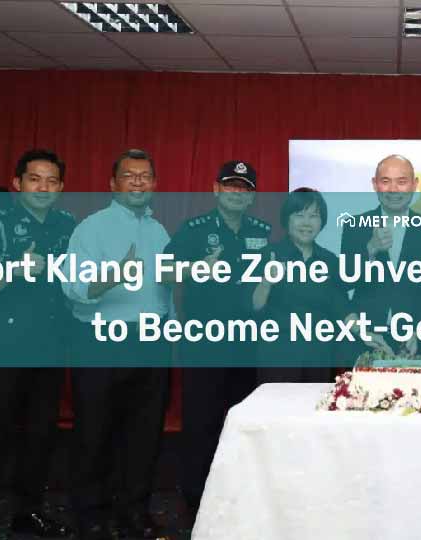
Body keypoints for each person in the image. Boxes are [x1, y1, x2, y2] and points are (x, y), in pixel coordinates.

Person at [0, 149, 74, 540]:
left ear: (61, 187)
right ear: (17, 182)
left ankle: (29, 513)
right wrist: (13, 270)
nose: (43, 188)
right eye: (34, 179)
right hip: (1, 349)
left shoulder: (67, 224)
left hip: (49, 345)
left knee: (40, 437)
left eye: (51, 181)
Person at [62, 149, 172, 540]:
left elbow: (164, 290)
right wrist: (112, 277)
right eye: (129, 175)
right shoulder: (91, 228)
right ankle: (91, 515)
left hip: (151, 341)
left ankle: (134, 511)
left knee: (144, 433)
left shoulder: (159, 231)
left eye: (145, 175)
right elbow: (73, 287)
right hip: (102, 341)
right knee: (95, 432)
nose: (138, 181)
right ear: (113, 183)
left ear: (154, 184)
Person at [164, 160, 270, 531]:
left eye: (244, 188)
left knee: (239, 424)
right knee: (200, 424)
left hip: (245, 345)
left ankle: (236, 498)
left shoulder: (261, 231)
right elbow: (163, 271)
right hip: (204, 343)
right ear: (216, 189)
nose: (237, 194)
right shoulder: (194, 230)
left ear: (252, 196)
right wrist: (195, 269)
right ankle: (195, 503)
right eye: (230, 186)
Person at [253, 189, 385, 382]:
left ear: (321, 221)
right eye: (299, 215)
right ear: (286, 219)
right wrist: (266, 282)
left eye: (314, 216)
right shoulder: (268, 255)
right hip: (278, 355)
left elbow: (340, 305)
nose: (307, 223)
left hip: (319, 356)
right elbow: (253, 306)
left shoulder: (328, 260)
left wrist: (365, 333)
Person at [340, 155, 421, 354]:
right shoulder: (354, 226)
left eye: (402, 181)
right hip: (366, 339)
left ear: (415, 184)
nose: (393, 189)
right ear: (375, 184)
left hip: (417, 340)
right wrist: (370, 249)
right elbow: (345, 282)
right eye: (386, 181)